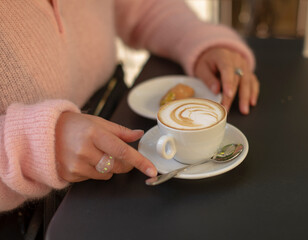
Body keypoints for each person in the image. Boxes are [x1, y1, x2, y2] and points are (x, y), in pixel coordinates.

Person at [0, 0, 259, 213]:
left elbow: (143, 8)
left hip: (122, 124)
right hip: (41, 211)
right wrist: (36, 145)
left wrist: (201, 43)